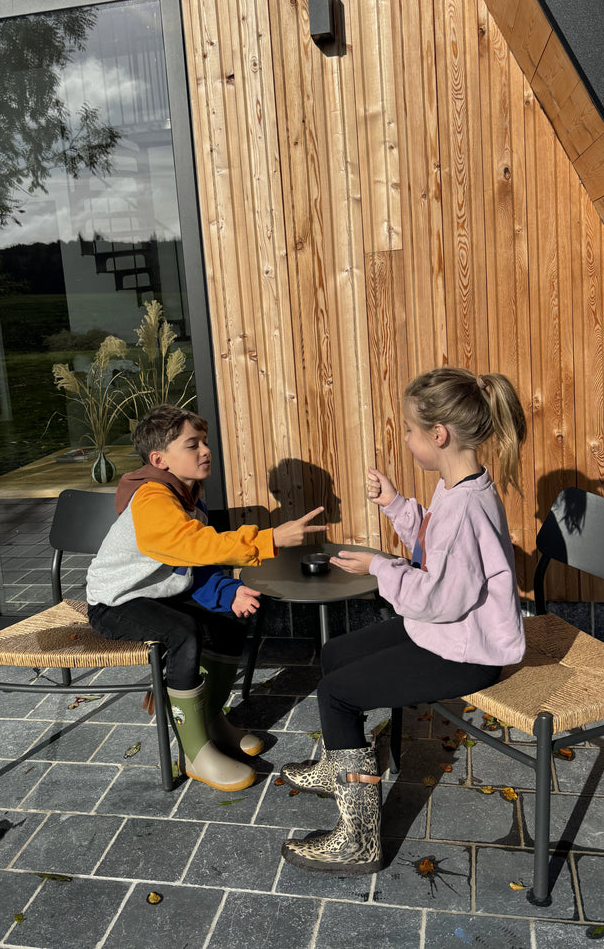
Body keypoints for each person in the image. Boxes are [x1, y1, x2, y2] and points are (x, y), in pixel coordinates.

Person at [280, 367, 528, 873]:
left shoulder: (464, 507)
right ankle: (339, 766)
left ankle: (358, 840)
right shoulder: (457, 487)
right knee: (335, 654)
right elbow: (435, 552)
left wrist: (379, 566)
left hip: (464, 652)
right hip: (447, 633)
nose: (409, 441)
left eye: (411, 432)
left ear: (439, 435)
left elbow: (439, 598)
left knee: (337, 693)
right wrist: (396, 505)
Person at [86, 404, 327, 792]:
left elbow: (197, 563)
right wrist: (268, 540)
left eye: (205, 442)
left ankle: (211, 719)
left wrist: (227, 592)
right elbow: (187, 544)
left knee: (230, 621)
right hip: (115, 603)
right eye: (192, 444)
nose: (205, 451)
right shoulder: (152, 498)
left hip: (160, 593)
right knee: (185, 632)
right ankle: (195, 751)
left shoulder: (188, 495)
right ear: (159, 459)